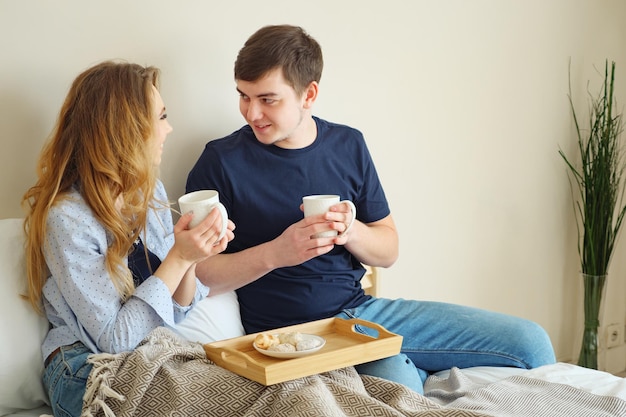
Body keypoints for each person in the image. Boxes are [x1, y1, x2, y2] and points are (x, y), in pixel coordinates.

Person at [186, 24, 556, 394]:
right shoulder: (221, 161)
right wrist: (277, 253)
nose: (251, 113)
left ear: (309, 94)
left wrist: (352, 231)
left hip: (361, 314)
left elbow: (389, 250)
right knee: (401, 387)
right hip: (290, 337)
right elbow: (199, 274)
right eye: (243, 96)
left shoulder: (348, 144)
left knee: (531, 342)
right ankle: (417, 372)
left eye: (267, 99)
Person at [22, 61, 233, 417]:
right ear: (126, 129)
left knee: (284, 388)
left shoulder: (148, 195)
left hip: (147, 356)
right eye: (161, 117)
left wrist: (193, 256)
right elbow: (115, 340)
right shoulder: (68, 218)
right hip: (88, 372)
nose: (169, 129)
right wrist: (178, 259)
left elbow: (178, 310)